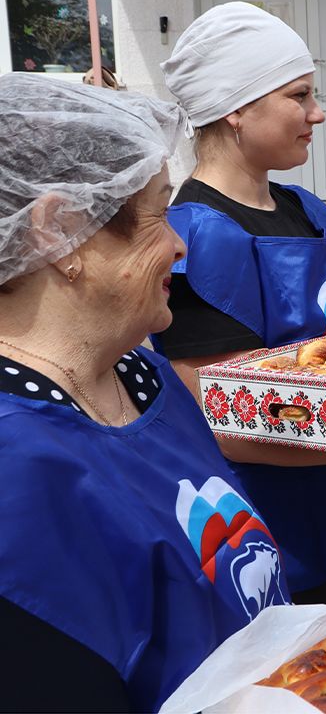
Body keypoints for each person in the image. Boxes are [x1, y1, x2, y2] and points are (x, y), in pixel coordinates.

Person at [0, 74, 289, 711]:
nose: (180, 244)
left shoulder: (143, 376)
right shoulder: (17, 471)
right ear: (57, 232)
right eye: (159, 213)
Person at [156, 2, 326, 605]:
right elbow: (224, 421)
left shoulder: (308, 212)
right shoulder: (197, 237)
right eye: (299, 96)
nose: (318, 113)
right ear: (236, 110)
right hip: (276, 536)